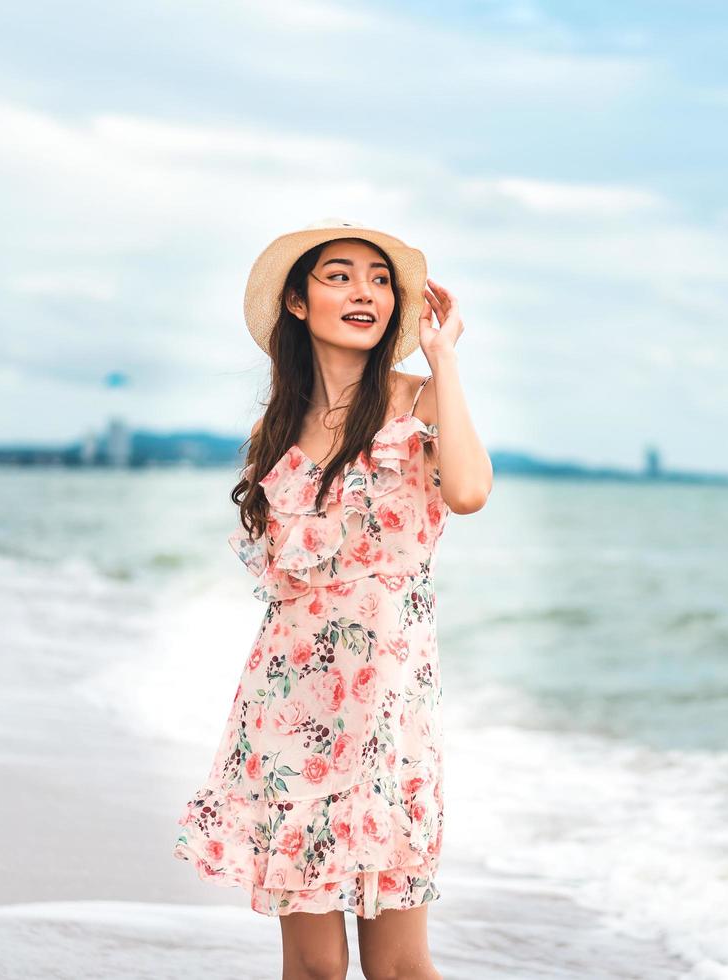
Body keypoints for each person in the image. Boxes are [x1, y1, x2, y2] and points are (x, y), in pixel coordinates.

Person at [173, 218, 492, 980]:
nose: (365, 292)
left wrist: (442, 356)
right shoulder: (272, 430)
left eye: (380, 280)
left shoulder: (418, 399)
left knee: (399, 968)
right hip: (288, 707)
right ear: (296, 302)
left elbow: (471, 491)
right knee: (313, 967)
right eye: (340, 275)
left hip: (387, 710)